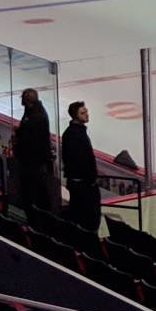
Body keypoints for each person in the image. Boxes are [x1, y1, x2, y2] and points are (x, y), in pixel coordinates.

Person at [9, 86, 61, 219]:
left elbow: (32, 141)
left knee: (35, 191)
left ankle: (39, 218)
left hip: (33, 162)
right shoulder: (32, 112)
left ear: (26, 101)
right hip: (31, 161)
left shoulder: (36, 116)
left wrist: (19, 141)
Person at [62, 101, 100, 236]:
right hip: (83, 184)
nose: (87, 114)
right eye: (83, 113)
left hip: (80, 182)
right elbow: (79, 160)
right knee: (87, 217)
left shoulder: (74, 132)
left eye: (86, 111)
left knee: (82, 215)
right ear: (75, 116)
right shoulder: (74, 135)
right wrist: (91, 179)